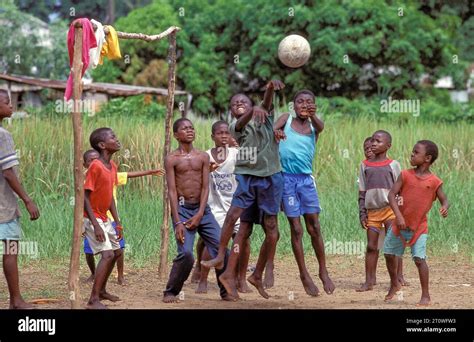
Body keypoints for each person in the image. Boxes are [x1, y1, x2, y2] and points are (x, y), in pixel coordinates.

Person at [202, 80, 285, 299]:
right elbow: (242, 122)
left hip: (271, 177)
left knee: (271, 227)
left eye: (244, 101)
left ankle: (257, 273)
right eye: (234, 102)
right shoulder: (234, 128)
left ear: (253, 105)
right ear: (231, 110)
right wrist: (251, 110)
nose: (239, 103)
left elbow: (266, 105)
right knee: (236, 217)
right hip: (248, 176)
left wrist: (268, 90)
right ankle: (221, 256)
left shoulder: (266, 119)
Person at [271, 89, 335, 296]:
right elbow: (271, 131)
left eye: (309, 102)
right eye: (300, 102)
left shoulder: (314, 125)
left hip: (306, 180)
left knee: (314, 226)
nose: (304, 105)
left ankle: (323, 270)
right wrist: (277, 133)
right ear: (293, 105)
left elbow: (321, 126)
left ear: (314, 105)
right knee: (296, 229)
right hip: (286, 179)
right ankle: (304, 274)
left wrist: (313, 114)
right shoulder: (286, 119)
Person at [162, 118, 231, 303]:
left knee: (222, 248)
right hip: (183, 211)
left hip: (203, 210)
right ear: (176, 135)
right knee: (186, 254)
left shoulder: (203, 157)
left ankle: (225, 291)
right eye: (185, 129)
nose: (190, 130)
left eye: (191, 128)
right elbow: (172, 191)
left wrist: (201, 213)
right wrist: (177, 222)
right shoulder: (171, 159)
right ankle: (170, 291)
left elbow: (205, 188)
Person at [82, 149, 164, 285]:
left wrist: (149, 172)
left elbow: (128, 175)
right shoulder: (85, 179)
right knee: (89, 250)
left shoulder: (109, 172)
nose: (94, 162)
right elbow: (83, 202)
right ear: (84, 165)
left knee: (118, 250)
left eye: (96, 159)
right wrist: (83, 223)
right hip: (92, 220)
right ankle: (94, 274)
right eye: (90, 160)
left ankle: (120, 275)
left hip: (110, 219)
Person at [191, 120, 252, 294]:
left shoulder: (236, 153)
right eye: (220, 133)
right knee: (214, 243)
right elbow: (195, 179)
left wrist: (239, 145)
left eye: (227, 133)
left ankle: (241, 278)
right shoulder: (205, 156)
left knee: (244, 240)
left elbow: (254, 159)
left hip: (235, 205)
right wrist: (207, 172)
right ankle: (203, 278)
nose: (224, 136)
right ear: (213, 136)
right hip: (213, 206)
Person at [385, 140, 448, 305]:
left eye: (415, 152)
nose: (411, 154)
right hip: (399, 225)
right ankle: (394, 284)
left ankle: (425, 295)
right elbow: (391, 195)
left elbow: (444, 199)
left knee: (419, 260)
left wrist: (444, 207)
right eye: (412, 151)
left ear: (427, 158)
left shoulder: (434, 181)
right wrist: (398, 216)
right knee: (389, 254)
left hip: (419, 228)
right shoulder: (405, 175)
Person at [0, 90, 40, 309]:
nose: (11, 106)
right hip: (4, 206)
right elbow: (8, 173)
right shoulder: (3, 135)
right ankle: (16, 300)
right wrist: (27, 199)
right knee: (11, 249)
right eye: (7, 103)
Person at [83, 127, 123, 309]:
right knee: (106, 255)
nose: (117, 139)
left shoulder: (112, 166)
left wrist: (117, 222)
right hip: (92, 217)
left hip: (105, 218)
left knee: (116, 252)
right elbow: (84, 197)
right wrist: (95, 225)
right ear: (102, 145)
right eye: (113, 137)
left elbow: (110, 199)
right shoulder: (95, 166)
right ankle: (93, 300)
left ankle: (102, 291)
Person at [357, 130, 401, 292]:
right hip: (373, 212)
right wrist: (362, 212)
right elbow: (362, 191)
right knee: (371, 246)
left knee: (392, 246)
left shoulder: (393, 165)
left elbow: (400, 190)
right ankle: (369, 281)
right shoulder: (364, 165)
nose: (374, 144)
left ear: (388, 146)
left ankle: (396, 279)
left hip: (390, 210)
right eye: (373, 141)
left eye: (378, 141)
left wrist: (401, 213)